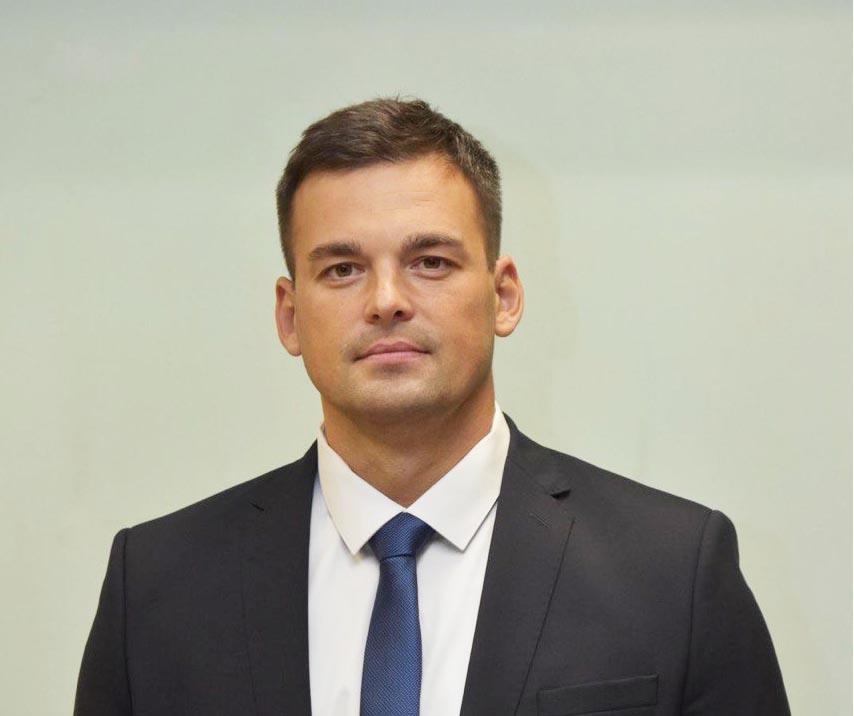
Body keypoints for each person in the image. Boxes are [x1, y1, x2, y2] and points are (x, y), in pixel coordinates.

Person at [75, 98, 790, 716]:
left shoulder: (673, 570)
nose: (386, 300)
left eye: (430, 262)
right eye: (343, 269)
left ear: (503, 295)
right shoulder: (157, 588)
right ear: (290, 316)